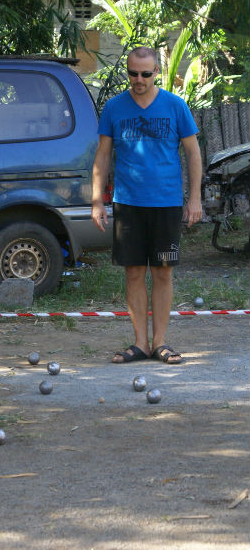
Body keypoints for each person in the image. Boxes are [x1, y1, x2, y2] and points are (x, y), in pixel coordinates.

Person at [91, 46, 203, 364]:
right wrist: (97, 200)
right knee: (134, 272)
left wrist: (194, 198)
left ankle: (160, 342)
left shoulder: (175, 106)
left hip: (166, 202)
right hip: (129, 203)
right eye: (132, 73)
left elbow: (193, 154)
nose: (138, 80)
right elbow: (102, 155)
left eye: (145, 73)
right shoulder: (114, 108)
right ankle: (140, 343)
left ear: (157, 72)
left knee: (164, 272)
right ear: (127, 71)